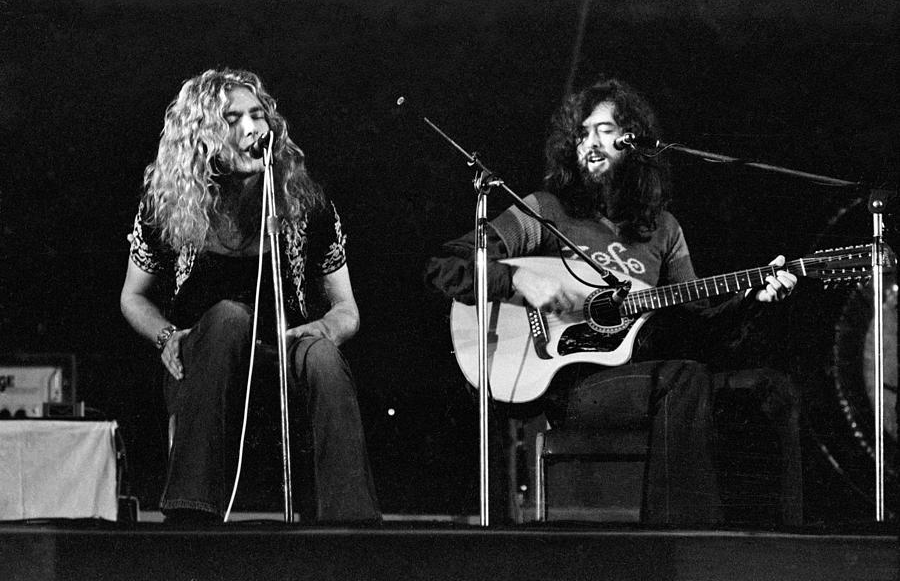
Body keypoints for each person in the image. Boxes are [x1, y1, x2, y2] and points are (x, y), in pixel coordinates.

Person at [425, 77, 803, 526]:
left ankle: (783, 548)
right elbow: (447, 266)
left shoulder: (663, 229)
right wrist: (520, 280)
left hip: (650, 376)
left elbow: (700, 328)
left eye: (604, 130)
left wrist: (751, 298)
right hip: (573, 386)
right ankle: (679, 548)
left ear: (634, 142)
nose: (590, 142)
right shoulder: (546, 212)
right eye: (582, 134)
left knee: (770, 388)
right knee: (683, 379)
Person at [120, 68, 380, 524]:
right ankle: (190, 512)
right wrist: (166, 338)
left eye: (258, 115)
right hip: (204, 356)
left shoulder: (306, 204)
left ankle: (349, 524)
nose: (252, 128)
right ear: (201, 136)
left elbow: (347, 309)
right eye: (233, 118)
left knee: (321, 355)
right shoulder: (166, 206)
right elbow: (133, 297)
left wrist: (326, 328)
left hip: (284, 351)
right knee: (229, 318)